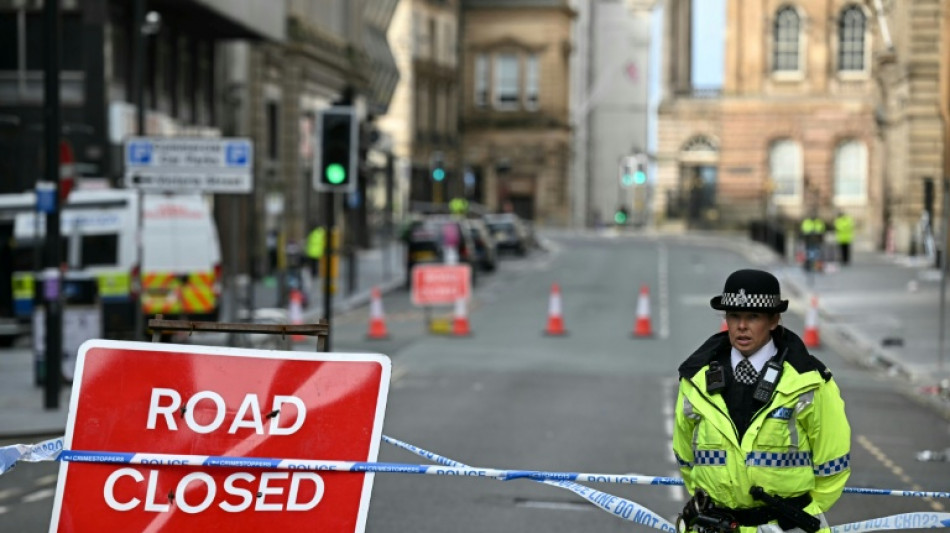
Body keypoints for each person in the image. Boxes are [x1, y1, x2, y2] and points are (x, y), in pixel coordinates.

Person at [674, 269, 851, 533]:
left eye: (753, 316)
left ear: (773, 320)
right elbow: (686, 459)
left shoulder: (809, 382)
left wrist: (794, 518)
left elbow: (834, 464)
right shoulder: (696, 379)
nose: (741, 326)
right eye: (734, 316)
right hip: (717, 526)